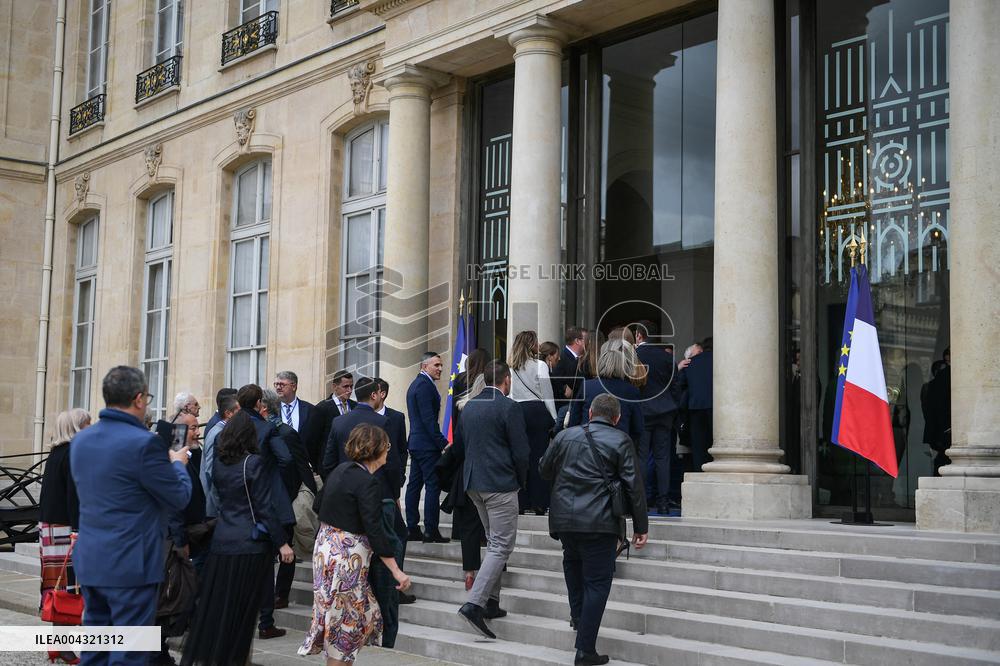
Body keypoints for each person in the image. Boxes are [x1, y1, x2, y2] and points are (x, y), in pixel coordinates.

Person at [70, 366, 191, 666]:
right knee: (129, 654)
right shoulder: (144, 443)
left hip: (92, 558)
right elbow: (179, 496)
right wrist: (178, 464)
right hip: (131, 564)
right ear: (138, 399)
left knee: (95, 649)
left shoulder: (82, 440)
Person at [540, 393, 649, 666]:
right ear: (617, 418)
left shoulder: (564, 436)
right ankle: (585, 649)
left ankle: (579, 619)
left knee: (573, 567)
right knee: (597, 583)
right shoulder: (621, 440)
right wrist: (641, 526)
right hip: (599, 523)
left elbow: (543, 469)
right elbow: (634, 487)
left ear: (590, 413)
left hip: (565, 520)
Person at [181, 411, 294, 666]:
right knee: (244, 612)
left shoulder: (221, 464)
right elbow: (264, 507)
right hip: (249, 544)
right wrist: (282, 542)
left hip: (222, 540)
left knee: (223, 608)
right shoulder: (253, 463)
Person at [298, 423, 412, 664]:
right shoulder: (368, 483)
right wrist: (397, 571)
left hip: (326, 550)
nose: (389, 450)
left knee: (347, 620)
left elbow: (318, 505)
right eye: (387, 445)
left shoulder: (340, 470)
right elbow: (375, 529)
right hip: (346, 559)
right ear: (376, 448)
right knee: (344, 627)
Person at [456, 362, 529, 639]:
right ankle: (475, 604)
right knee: (500, 545)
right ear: (506, 379)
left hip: (474, 483)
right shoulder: (509, 407)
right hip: (499, 484)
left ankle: (491, 602)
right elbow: (521, 452)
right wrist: (521, 480)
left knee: (493, 541)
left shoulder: (470, 406)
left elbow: (462, 447)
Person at [237, 384, 294, 640]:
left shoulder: (230, 428)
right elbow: (286, 459)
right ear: (259, 403)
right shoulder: (266, 428)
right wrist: (274, 479)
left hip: (237, 505)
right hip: (265, 501)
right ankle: (266, 622)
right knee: (266, 567)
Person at [38, 408, 90, 666]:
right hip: (63, 527)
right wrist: (78, 530)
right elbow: (74, 497)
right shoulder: (71, 453)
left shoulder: (56, 452)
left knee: (56, 588)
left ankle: (58, 644)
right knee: (67, 589)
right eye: (87, 423)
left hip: (50, 526)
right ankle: (64, 647)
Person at [438, 349, 490, 592]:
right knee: (493, 525)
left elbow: (458, 440)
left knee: (469, 523)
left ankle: (470, 571)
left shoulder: (464, 402)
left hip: (467, 467)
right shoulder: (500, 407)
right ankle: (495, 567)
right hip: (491, 473)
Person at [262, 388, 318, 611]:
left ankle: (281, 594)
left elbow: (300, 465)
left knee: (288, 547)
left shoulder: (286, 433)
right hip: (268, 499)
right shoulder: (260, 431)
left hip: (286, 498)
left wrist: (302, 494)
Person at [634, 320, 683, 515]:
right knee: (663, 457)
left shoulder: (635, 355)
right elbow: (676, 386)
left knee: (642, 457)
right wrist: (672, 406)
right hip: (665, 411)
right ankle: (663, 502)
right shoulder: (667, 357)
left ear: (639, 335)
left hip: (643, 411)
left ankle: (644, 500)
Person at [374, 376, 415, 606]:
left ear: (382, 394)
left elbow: (400, 452)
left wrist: (398, 487)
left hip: (389, 489)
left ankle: (394, 586)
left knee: (399, 534)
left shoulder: (396, 418)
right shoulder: (357, 417)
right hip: (367, 489)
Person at [507, 330, 556, 515]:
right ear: (531, 345)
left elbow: (510, 394)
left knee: (520, 457)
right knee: (539, 458)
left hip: (517, 411)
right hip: (537, 412)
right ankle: (539, 502)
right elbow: (547, 394)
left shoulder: (510, 367)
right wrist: (554, 418)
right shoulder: (540, 365)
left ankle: (521, 501)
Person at [404, 352, 450, 543]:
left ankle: (412, 528)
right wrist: (443, 443)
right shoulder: (424, 386)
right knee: (432, 485)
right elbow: (428, 420)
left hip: (417, 444)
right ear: (424, 366)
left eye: (441, 365)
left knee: (414, 485)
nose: (440, 369)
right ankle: (430, 530)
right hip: (426, 446)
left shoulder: (417, 384)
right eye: (436, 365)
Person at [568, 339, 645, 447]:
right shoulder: (631, 391)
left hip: (587, 443)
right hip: (618, 445)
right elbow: (637, 428)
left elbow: (574, 420)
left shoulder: (587, 386)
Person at [303, 370, 355, 472]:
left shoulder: (355, 406)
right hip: (329, 467)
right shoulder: (321, 408)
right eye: (345, 386)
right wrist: (319, 467)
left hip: (351, 465)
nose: (349, 390)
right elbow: (312, 441)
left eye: (351, 386)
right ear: (335, 386)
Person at [201, 392, 240, 519]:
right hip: (215, 507)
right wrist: (220, 505)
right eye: (239, 412)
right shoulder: (218, 433)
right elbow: (210, 471)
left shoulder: (223, 431)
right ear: (228, 413)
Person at [681, 337, 713, 472]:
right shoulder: (722, 360)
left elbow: (680, 385)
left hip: (695, 407)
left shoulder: (690, 362)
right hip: (716, 408)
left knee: (699, 447)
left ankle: (700, 475)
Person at [551, 327, 588, 410]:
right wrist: (564, 388)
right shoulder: (562, 357)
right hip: (565, 406)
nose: (588, 342)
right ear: (577, 341)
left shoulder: (580, 358)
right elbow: (554, 377)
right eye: (586, 339)